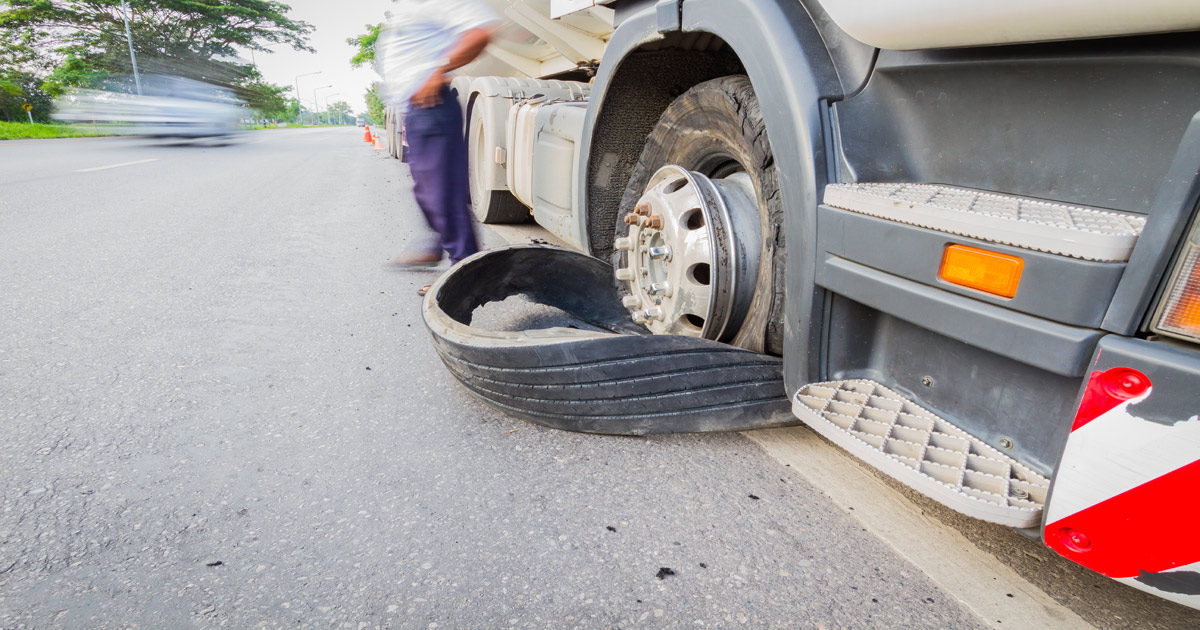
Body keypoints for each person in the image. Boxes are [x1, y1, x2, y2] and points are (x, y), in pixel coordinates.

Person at [374, 0, 500, 295]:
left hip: (432, 104)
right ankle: (437, 246)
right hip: (416, 109)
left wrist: (436, 70)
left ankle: (466, 275)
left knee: (442, 195)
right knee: (427, 191)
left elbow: (480, 32)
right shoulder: (407, 7)